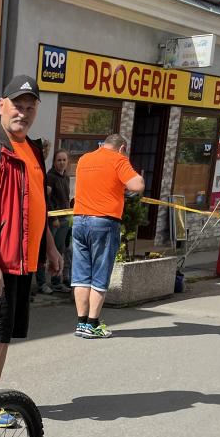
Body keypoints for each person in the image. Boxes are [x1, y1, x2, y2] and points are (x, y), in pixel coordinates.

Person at [0, 75, 62, 426]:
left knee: (5, 333)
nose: (23, 112)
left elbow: (37, 206)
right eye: (17, 105)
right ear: (1, 105)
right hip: (1, 262)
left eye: (29, 107)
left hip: (23, 262)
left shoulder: (32, 150)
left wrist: (50, 247)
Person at [71, 134, 144, 339]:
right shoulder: (118, 159)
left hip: (79, 220)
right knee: (100, 274)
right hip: (104, 222)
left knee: (81, 276)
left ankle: (81, 323)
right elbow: (137, 185)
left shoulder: (85, 159)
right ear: (122, 148)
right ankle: (93, 324)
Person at [38, 148, 72, 294]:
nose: (62, 162)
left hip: (65, 219)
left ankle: (56, 282)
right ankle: (41, 283)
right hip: (54, 220)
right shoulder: (50, 177)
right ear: (54, 162)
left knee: (60, 251)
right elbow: (47, 198)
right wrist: (54, 218)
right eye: (59, 160)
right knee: (45, 251)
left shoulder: (66, 177)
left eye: (64, 160)